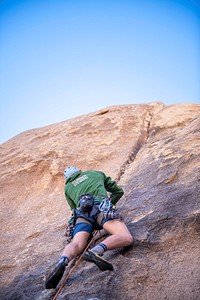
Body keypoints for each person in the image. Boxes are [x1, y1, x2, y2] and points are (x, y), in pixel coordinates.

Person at [45, 167, 133, 289]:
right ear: (80, 171)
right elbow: (118, 191)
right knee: (125, 237)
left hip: (82, 215)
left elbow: (73, 209)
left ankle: (63, 261)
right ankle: (96, 251)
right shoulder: (96, 173)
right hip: (101, 208)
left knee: (77, 243)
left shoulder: (68, 188)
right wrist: (110, 203)